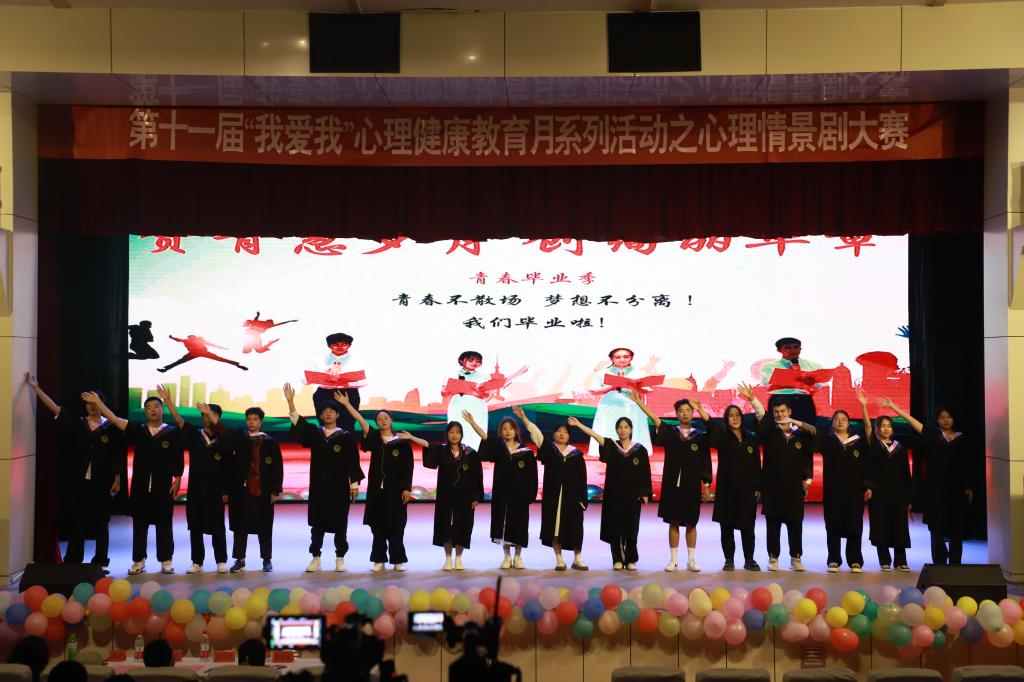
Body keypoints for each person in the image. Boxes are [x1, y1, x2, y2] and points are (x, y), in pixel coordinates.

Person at [25, 373, 124, 570]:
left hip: (103, 481)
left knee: (101, 522)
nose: (92, 406)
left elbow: (117, 454)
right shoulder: (78, 422)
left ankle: (100, 561)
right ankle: (73, 561)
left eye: (96, 402)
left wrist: (117, 478)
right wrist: (36, 388)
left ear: (102, 404)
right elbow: (56, 408)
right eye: (89, 403)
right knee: (78, 520)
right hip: (78, 480)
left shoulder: (111, 427)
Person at [84, 390, 182, 575]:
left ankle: (166, 560)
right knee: (140, 524)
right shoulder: (138, 430)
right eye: (149, 407)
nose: (153, 410)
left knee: (164, 523)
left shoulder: (171, 432)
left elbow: (177, 456)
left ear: (162, 410)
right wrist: (98, 401)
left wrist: (177, 478)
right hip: (140, 486)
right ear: (145, 412)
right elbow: (114, 419)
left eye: (156, 406)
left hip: (163, 486)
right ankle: (138, 560)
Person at [627, 391, 712, 572]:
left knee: (691, 522)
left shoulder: (700, 436)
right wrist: (639, 403)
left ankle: (691, 560)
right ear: (676, 414)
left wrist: (706, 484)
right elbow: (654, 418)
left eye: (688, 410)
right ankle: (673, 560)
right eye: (681, 410)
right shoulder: (671, 433)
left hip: (691, 486)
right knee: (674, 521)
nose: (685, 413)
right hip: (672, 485)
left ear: (693, 413)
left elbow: (706, 460)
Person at [883, 398, 974, 565]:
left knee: (956, 530)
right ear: (937, 420)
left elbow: (968, 465)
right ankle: (939, 564)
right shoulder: (932, 435)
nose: (946, 420)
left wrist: (968, 486)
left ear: (954, 419)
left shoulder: (962, 439)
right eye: (942, 417)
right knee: (935, 528)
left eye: (949, 417)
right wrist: (893, 406)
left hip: (956, 491)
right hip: (935, 491)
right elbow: (913, 422)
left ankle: (955, 565)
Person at [285, 384, 364, 573]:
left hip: (339, 487)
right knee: (317, 524)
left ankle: (340, 558)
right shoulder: (315, 433)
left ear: (337, 415)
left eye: (331, 411)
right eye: (324, 412)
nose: (328, 414)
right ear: (320, 416)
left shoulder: (345, 437)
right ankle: (316, 557)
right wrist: (290, 401)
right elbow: (299, 424)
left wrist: (354, 485)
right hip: (319, 487)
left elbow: (353, 462)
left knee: (340, 523)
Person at [513, 406, 589, 571]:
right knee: (554, 527)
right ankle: (559, 559)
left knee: (575, 527)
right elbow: (536, 434)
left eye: (565, 432)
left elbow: (582, 478)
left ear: (569, 436)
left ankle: (577, 558)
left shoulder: (576, 454)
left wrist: (583, 499)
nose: (562, 434)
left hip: (573, 498)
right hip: (553, 497)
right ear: (553, 434)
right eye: (559, 431)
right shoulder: (549, 449)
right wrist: (524, 418)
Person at [572, 416, 652, 570]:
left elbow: (645, 472)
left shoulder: (640, 450)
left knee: (631, 527)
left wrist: (645, 492)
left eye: (626, 427)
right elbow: (595, 435)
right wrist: (578, 424)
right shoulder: (612, 446)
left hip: (632, 495)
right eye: (620, 427)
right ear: (616, 430)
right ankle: (617, 559)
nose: (623, 430)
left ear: (631, 430)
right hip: (614, 494)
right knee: (615, 526)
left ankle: (631, 559)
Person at [162, 399, 232, 574]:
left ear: (218, 417)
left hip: (216, 489)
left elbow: (228, 467)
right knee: (195, 525)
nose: (207, 418)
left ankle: (221, 561)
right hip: (195, 488)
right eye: (204, 415)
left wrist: (226, 490)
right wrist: (168, 402)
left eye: (211, 415)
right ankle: (197, 562)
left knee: (218, 525)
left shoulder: (225, 437)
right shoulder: (195, 434)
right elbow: (180, 421)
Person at [464, 410, 537, 569]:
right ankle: (506, 556)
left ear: (516, 431)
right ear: (501, 432)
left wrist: (530, 494)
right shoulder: (499, 448)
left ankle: (518, 556)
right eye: (504, 429)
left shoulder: (526, 452)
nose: (508, 431)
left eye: (511, 428)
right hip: (502, 494)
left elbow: (532, 476)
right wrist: (472, 422)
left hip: (519, 495)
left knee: (519, 524)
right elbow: (485, 437)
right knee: (502, 523)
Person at [358, 409, 420, 572]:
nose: (383, 421)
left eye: (386, 418)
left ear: (391, 420)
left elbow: (408, 467)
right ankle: (379, 560)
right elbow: (362, 424)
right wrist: (347, 405)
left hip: (396, 491)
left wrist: (406, 488)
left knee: (396, 525)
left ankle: (398, 559)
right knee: (377, 525)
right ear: (376, 423)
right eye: (379, 419)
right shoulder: (375, 439)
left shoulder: (401, 442)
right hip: (376, 491)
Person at [757, 397, 815, 572]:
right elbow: (761, 418)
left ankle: (796, 557)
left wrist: (808, 480)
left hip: (794, 488)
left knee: (795, 524)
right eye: (776, 412)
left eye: (783, 411)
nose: (780, 414)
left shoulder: (800, 435)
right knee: (773, 525)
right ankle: (773, 557)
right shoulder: (769, 432)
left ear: (789, 411)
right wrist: (753, 400)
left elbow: (813, 434)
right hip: (772, 488)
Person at [713, 383, 765, 571]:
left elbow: (757, 463)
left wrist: (752, 399)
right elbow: (710, 426)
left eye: (737, 415)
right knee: (726, 526)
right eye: (731, 416)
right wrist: (701, 411)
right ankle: (729, 559)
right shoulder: (722, 437)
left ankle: (749, 559)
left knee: (747, 527)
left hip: (747, 490)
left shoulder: (751, 437)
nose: (734, 418)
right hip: (726, 490)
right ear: (726, 419)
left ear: (742, 418)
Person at [859, 392, 912, 572]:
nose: (886, 429)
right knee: (880, 525)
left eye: (889, 426)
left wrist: (909, 497)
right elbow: (867, 426)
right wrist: (864, 406)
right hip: (879, 493)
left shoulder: (900, 448)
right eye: (882, 426)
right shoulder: (874, 444)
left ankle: (901, 560)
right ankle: (884, 561)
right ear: (877, 428)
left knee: (900, 526)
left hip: (898, 493)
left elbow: (906, 473)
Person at [815, 408, 872, 573]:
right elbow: (812, 432)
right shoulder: (828, 441)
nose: (840, 421)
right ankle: (833, 559)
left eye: (843, 419)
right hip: (833, 491)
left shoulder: (859, 442)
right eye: (836, 419)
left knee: (855, 524)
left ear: (849, 423)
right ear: (832, 423)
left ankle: (855, 560)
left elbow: (866, 466)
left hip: (854, 491)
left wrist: (868, 485)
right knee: (832, 524)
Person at [422, 421, 484, 571]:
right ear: (447, 434)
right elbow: (428, 446)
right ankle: (448, 558)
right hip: (446, 496)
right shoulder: (441, 450)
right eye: (451, 432)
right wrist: (412, 438)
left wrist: (476, 496)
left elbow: (477, 476)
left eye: (457, 432)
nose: (454, 435)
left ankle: (459, 558)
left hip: (465, 497)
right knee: (446, 527)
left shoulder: (470, 453)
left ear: (461, 434)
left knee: (463, 526)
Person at [228, 405, 283, 573]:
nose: (251, 422)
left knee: (264, 526)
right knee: (240, 525)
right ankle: (239, 559)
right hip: (242, 491)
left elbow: (277, 468)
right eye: (249, 419)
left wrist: (275, 490)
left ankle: (266, 559)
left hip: (263, 490)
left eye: (255, 419)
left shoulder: (270, 442)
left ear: (261, 421)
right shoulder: (241, 439)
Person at [588, 348, 654, 455]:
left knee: (633, 430)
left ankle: (635, 452)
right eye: (617, 357)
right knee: (608, 430)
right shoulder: (603, 372)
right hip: (608, 406)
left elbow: (647, 390)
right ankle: (608, 452)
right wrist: (612, 387)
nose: (622, 359)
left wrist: (636, 387)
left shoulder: (639, 372)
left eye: (626, 357)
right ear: (611, 358)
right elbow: (594, 391)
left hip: (632, 406)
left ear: (631, 357)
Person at [759, 337, 823, 425]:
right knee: (778, 429)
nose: (793, 350)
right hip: (779, 400)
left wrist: (813, 382)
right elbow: (765, 383)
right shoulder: (769, 366)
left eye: (796, 347)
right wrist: (787, 377)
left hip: (804, 401)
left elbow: (821, 384)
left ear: (800, 349)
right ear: (779, 350)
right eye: (788, 347)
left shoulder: (813, 365)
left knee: (807, 428)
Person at [312, 333, 364, 431]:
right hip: (325, 392)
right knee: (325, 425)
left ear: (350, 345)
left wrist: (346, 380)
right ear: (329, 345)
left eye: (344, 344)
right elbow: (307, 377)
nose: (340, 347)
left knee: (347, 424)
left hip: (348, 392)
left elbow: (365, 378)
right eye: (335, 345)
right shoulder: (320, 359)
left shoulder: (357, 360)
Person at [445, 350, 489, 451]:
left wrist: (481, 392)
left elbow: (488, 395)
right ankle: (455, 453)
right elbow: (444, 392)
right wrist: (455, 388)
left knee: (476, 433)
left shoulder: (484, 377)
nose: (474, 363)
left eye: (478, 361)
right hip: (458, 406)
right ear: (461, 361)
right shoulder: (452, 374)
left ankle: (475, 454)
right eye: (471, 360)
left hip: (477, 407)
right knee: (457, 429)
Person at [157, 334, 248, 373]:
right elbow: (178, 340)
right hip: (193, 353)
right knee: (179, 361)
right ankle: (165, 369)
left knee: (220, 359)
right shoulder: (186, 341)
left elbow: (212, 344)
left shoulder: (200, 340)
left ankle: (237, 365)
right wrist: (172, 337)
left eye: (193, 338)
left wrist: (222, 347)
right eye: (191, 338)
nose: (192, 339)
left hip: (203, 352)